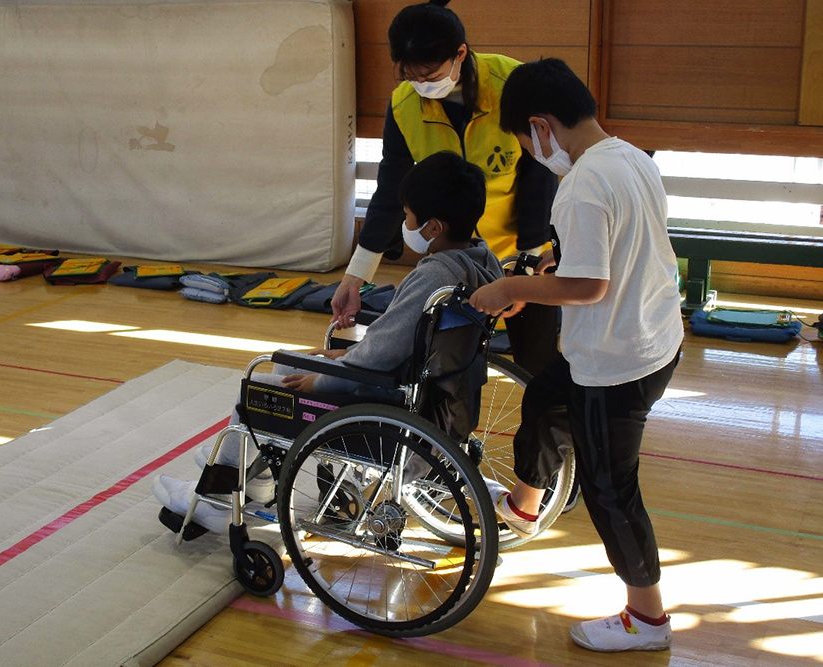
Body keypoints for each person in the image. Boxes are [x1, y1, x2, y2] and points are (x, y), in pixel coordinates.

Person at [155, 151, 504, 530]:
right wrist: (344, 352)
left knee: (258, 387)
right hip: (433, 396)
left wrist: (322, 379)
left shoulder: (434, 276)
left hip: (390, 403)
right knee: (290, 361)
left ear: (432, 227)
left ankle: (217, 501)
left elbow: (381, 353)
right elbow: (411, 342)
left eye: (407, 217)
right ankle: (254, 475)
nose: (404, 223)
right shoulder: (482, 263)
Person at [468, 58, 683, 652]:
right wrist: (548, 272)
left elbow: (592, 288)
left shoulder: (583, 185)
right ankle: (524, 508)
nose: (533, 154)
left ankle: (648, 620)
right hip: (649, 335)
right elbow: (616, 252)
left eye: (525, 143)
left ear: (541, 126)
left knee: (612, 491)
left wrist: (513, 288)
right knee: (543, 398)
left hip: (615, 364)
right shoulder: (630, 157)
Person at [331, 0, 559, 378]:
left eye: (430, 74)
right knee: (444, 369)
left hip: (522, 252)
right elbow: (391, 190)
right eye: (410, 76)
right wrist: (355, 276)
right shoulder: (404, 105)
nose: (421, 85)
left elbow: (540, 178)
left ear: (460, 54)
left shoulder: (514, 85)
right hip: (456, 260)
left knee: (539, 370)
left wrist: (529, 264)